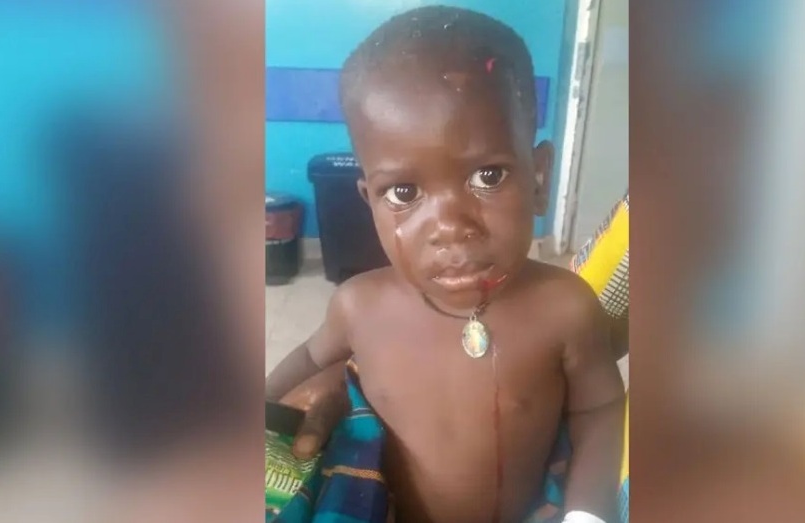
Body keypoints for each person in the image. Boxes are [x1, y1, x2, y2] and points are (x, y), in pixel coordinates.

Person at [266, 6, 625, 523]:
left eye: (488, 177)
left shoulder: (565, 308)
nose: (451, 226)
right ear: (369, 201)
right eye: (404, 192)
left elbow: (599, 409)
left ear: (540, 178)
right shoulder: (358, 307)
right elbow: (305, 359)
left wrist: (587, 514)